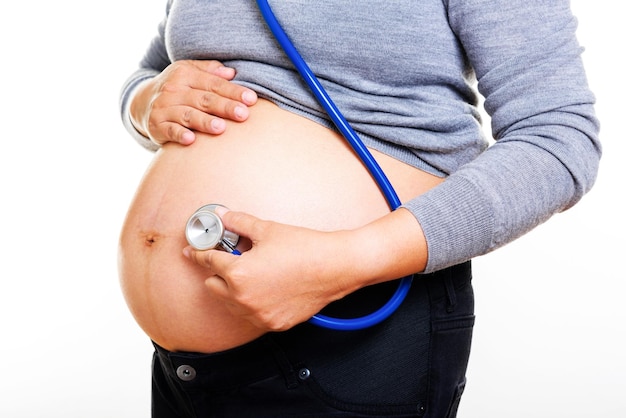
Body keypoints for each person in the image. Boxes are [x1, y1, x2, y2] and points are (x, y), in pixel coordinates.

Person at [118, 1, 601, 417]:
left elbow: (558, 139)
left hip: (353, 330)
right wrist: (145, 102)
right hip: (186, 370)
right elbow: (153, 73)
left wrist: (342, 262)